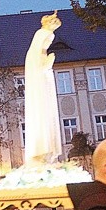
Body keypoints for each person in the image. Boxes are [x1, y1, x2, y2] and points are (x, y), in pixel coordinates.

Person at [24, 10, 63, 165]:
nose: (48, 44)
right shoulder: (43, 35)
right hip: (41, 77)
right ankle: (43, 149)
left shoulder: (39, 47)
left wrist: (47, 64)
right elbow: (38, 60)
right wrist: (46, 64)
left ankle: (47, 151)